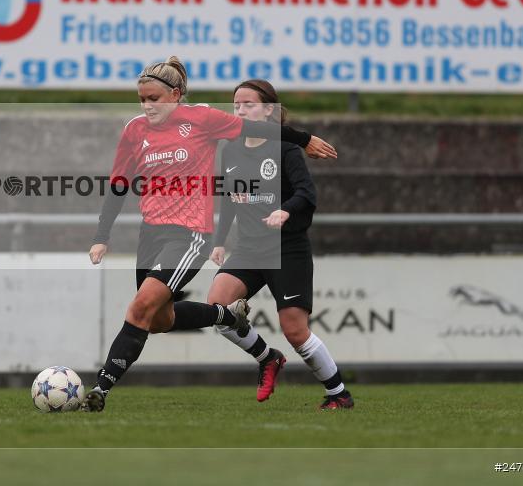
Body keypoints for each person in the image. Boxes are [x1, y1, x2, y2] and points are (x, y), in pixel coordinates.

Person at [84, 57, 337, 412]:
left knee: (140, 308)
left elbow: (257, 129)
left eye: (154, 98)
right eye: (142, 99)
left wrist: (304, 139)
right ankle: (232, 322)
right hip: (151, 234)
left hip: (189, 234)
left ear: (175, 95)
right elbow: (119, 184)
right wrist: (102, 235)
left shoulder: (201, 119)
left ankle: (100, 390)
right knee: (158, 320)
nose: (147, 106)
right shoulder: (134, 130)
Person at [208, 79, 353, 410]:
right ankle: (267, 357)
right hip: (249, 248)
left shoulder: (286, 149)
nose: (240, 110)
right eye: (236, 105)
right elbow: (229, 200)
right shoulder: (230, 149)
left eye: (248, 104)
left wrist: (285, 210)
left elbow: (306, 194)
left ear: (268, 110)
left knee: (295, 331)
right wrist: (219, 242)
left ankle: (339, 394)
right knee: (217, 307)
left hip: (287, 248)